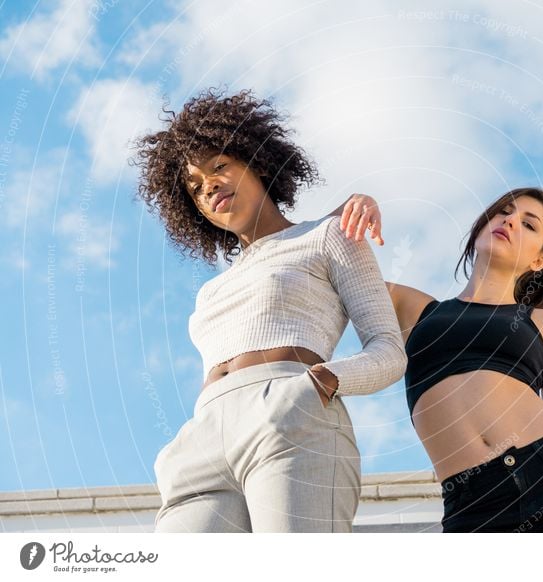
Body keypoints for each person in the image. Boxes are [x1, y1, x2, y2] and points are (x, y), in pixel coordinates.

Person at [131, 88, 407, 532]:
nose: (210, 186)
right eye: (196, 187)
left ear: (255, 161)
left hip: (289, 412)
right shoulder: (211, 292)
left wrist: (321, 383)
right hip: (203, 438)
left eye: (220, 166)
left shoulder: (330, 235)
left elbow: (389, 350)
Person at [331, 189, 543, 532]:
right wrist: (354, 205)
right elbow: (327, 262)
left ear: (539, 261)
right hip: (474, 506)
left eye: (528, 224)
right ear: (481, 227)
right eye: (504, 212)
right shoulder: (416, 309)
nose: (510, 220)